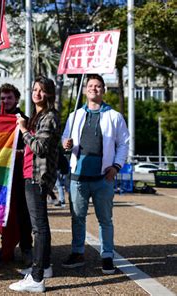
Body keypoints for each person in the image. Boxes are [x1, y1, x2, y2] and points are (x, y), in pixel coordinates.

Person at [61, 74, 129, 274]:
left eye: (98, 86)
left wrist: (116, 166)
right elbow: (66, 137)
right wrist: (65, 143)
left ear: (103, 91)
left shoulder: (114, 116)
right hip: (79, 176)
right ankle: (78, 252)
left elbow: (123, 143)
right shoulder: (75, 115)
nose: (94, 89)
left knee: (105, 219)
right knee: (77, 217)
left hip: (103, 178)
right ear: (84, 90)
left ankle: (107, 256)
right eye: (90, 86)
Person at [9, 76, 60, 293]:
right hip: (31, 174)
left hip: (37, 177)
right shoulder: (40, 116)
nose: (37, 93)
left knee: (39, 228)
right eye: (34, 89)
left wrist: (23, 129)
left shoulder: (49, 117)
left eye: (41, 90)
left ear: (49, 94)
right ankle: (44, 267)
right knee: (40, 225)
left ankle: (37, 278)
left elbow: (39, 147)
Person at [0, 83, 33, 268]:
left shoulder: (24, 119)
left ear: (16, 99)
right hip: (0, 176)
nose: (6, 101)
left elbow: (29, 145)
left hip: (20, 175)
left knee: (23, 214)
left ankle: (26, 249)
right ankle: (6, 246)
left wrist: (18, 152)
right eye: (2, 98)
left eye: (9, 97)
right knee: (2, 213)